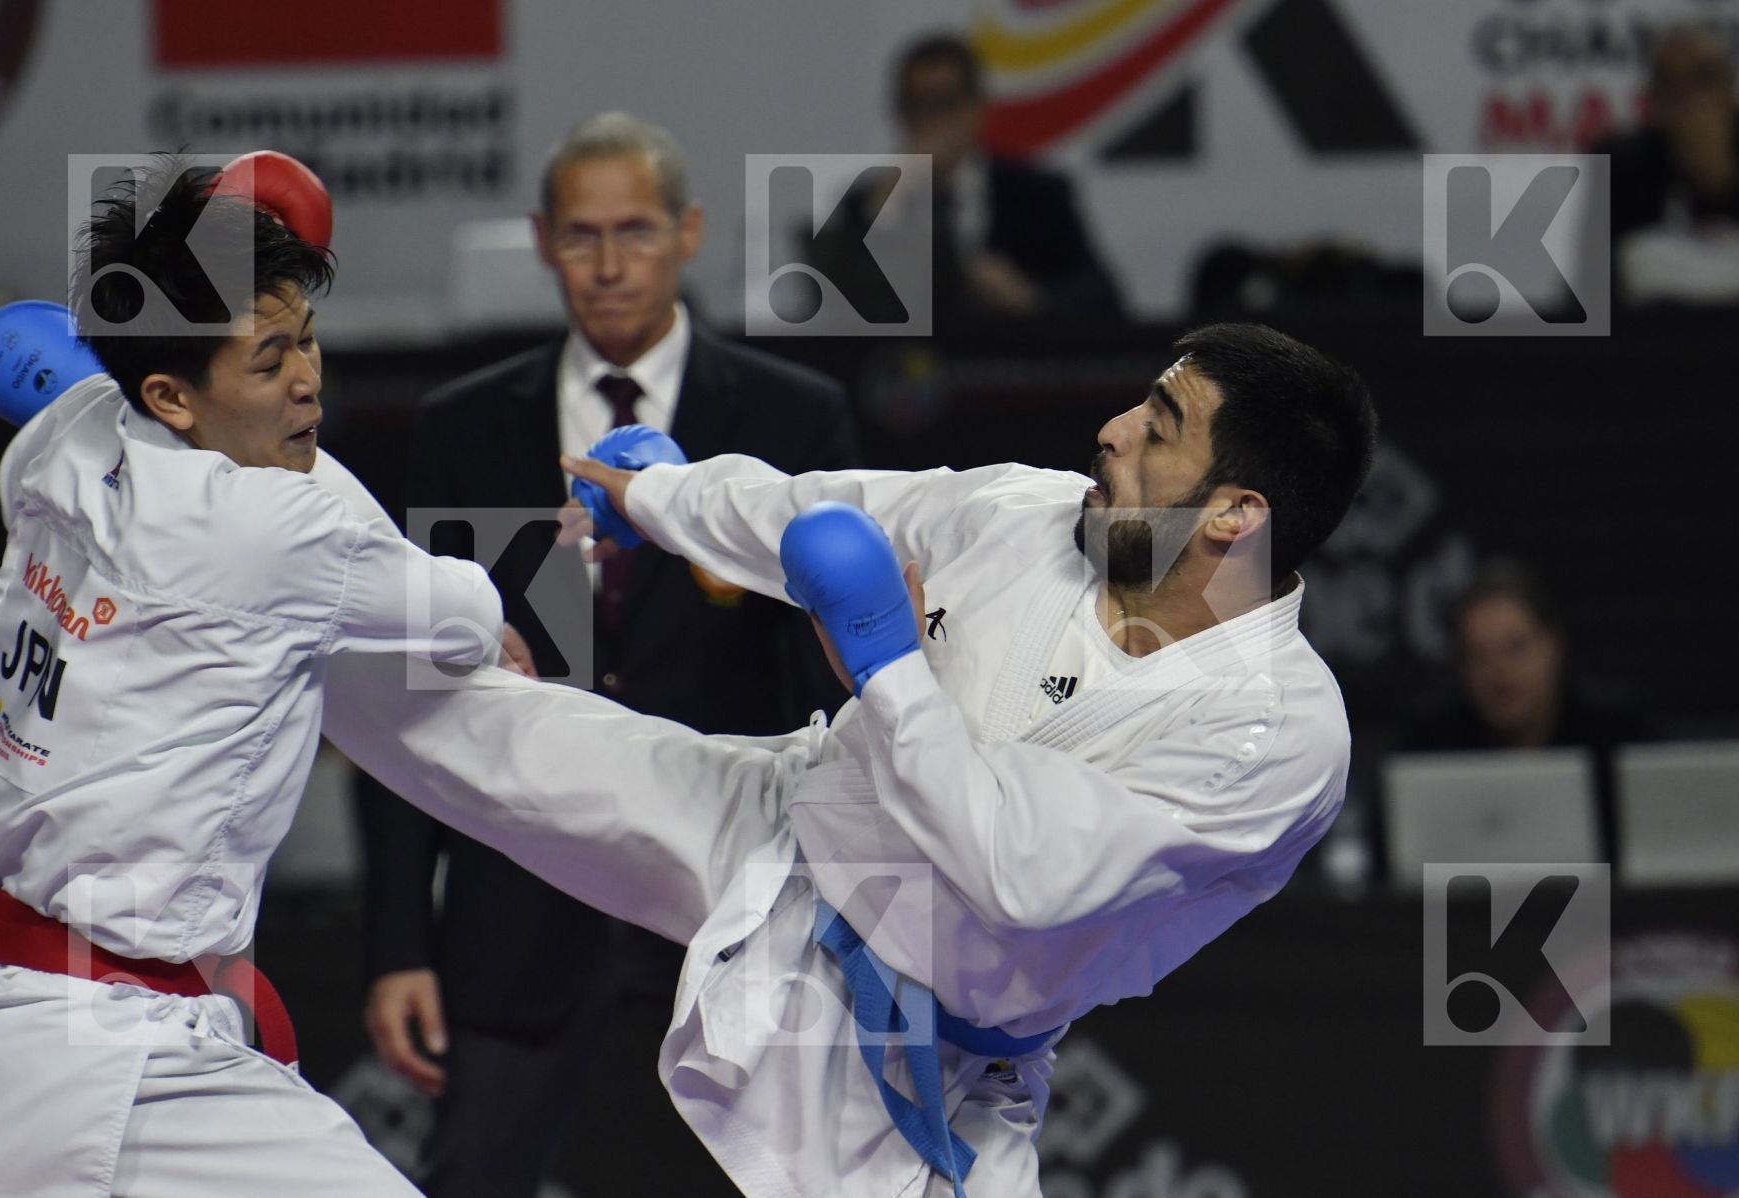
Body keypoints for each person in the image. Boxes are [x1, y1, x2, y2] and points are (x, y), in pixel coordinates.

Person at [319, 322, 1377, 1196]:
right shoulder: (1026, 513)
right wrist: (660, 498)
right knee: (456, 713)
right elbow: (816, 516)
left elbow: (1024, 871)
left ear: (1237, 513)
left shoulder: (1274, 734)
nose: (1110, 431)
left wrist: (888, 667)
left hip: (926, 1058)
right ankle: (245, 558)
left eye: (1158, 431)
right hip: (781, 828)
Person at [0, 158, 502, 1197]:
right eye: (269, 360)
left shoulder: (56, 441)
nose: (309, 381)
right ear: (169, 394)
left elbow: (32, 355)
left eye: (309, 341)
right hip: (110, 1046)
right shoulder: (278, 525)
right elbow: (468, 617)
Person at [354, 111, 858, 1197]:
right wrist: (400, 940)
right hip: (521, 896)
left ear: (689, 233)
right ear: (542, 241)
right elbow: (413, 694)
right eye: (582, 235)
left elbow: (830, 682)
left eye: (635, 230)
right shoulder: (468, 423)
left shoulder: (787, 416)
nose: (609, 263)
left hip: (733, 890)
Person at [809, 32, 1122, 323]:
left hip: (1003, 367)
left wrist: (1031, 296)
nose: (930, 121)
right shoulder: (867, 201)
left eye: (945, 103)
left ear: (977, 108)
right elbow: (825, 304)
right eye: (915, 105)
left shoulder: (1036, 194)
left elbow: (1102, 293)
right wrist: (882, 208)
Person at [1401, 559, 1651, 871]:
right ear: (1460, 667)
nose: (1500, 673)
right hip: (1464, 917)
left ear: (1553, 646)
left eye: (1516, 648)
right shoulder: (1429, 749)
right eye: (1480, 656)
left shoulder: (1618, 737)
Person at [1592, 25, 1739, 304]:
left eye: (1702, 78)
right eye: (1669, 82)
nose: (1685, 95)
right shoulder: (1621, 161)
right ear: (1653, 95)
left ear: (1728, 88)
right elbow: (1598, 272)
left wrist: (1719, 182)